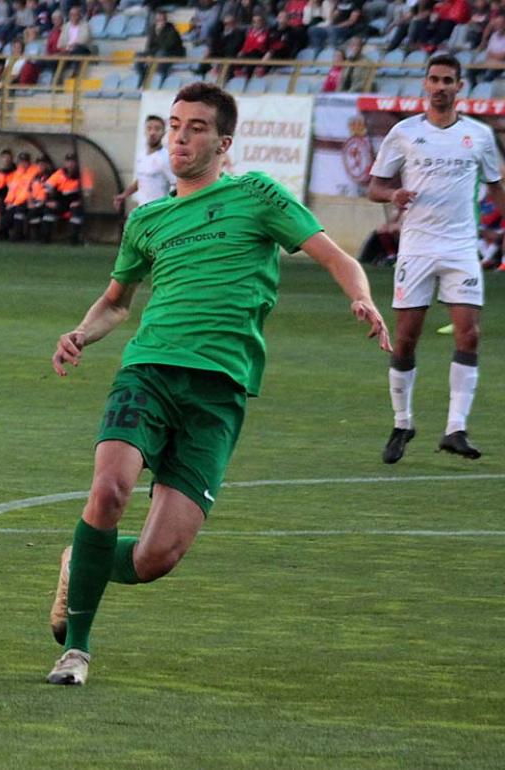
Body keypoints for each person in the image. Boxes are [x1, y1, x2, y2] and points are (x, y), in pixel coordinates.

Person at [44, 82, 391, 686]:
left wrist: (362, 299)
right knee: (110, 491)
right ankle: (76, 649)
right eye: (175, 124)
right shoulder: (147, 219)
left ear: (224, 142)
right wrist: (79, 332)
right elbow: (116, 303)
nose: (180, 135)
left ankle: (82, 561)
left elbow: (337, 257)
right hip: (148, 370)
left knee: (156, 559)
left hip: (220, 391)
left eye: (196, 127)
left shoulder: (257, 195)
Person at [368, 54, 504, 463]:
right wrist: (393, 194)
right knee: (406, 337)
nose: (440, 86)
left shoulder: (479, 136)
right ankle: (402, 421)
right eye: (434, 79)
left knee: (470, 333)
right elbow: (375, 186)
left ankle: (455, 428)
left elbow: (496, 186)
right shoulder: (405, 133)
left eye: (448, 80)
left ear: (460, 86)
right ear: (425, 85)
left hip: (461, 247)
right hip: (417, 248)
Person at [114, 114, 176, 212]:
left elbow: (178, 184)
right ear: (144, 131)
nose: (152, 132)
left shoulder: (166, 157)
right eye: (149, 128)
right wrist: (124, 195)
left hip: (158, 212)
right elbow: (141, 180)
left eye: (157, 129)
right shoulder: (141, 156)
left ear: (163, 133)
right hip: (142, 210)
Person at [42, 153, 87, 245]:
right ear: (65, 163)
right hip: (61, 201)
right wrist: (49, 201)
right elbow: (47, 187)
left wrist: (79, 201)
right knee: (49, 209)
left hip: (75, 201)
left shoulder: (83, 174)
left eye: (73, 162)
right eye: (68, 162)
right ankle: (45, 238)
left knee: (77, 210)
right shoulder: (59, 173)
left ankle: (74, 239)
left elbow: (87, 193)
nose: (70, 164)